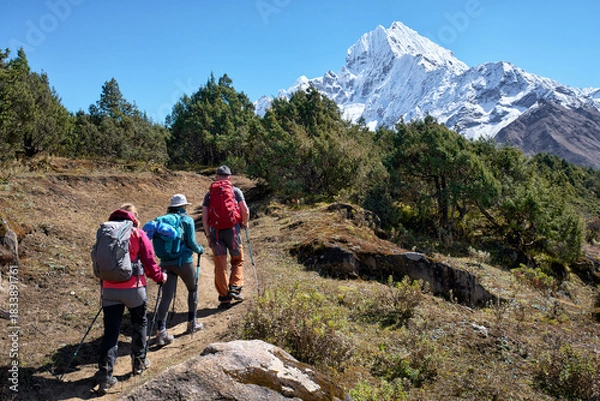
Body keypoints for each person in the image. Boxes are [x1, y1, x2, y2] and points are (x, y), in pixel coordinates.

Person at [95, 204, 167, 395]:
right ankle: (139, 363)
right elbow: (150, 263)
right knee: (140, 322)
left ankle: (105, 376)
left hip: (109, 289)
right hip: (134, 289)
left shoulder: (105, 231)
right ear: (133, 217)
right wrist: (161, 277)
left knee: (111, 331)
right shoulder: (137, 233)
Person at [154, 194, 205, 345]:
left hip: (165, 263)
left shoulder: (162, 221)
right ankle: (192, 323)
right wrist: (200, 250)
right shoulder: (187, 220)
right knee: (192, 289)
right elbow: (191, 243)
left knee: (166, 297)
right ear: (183, 206)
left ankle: (161, 331)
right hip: (183, 262)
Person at [202, 165, 250, 308]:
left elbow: (204, 218)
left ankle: (224, 297)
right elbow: (245, 211)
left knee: (220, 264)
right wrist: (244, 223)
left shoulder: (209, 194)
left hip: (216, 232)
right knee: (237, 260)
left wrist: (208, 235)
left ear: (216, 177)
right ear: (229, 177)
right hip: (232, 231)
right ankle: (235, 287)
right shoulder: (235, 191)